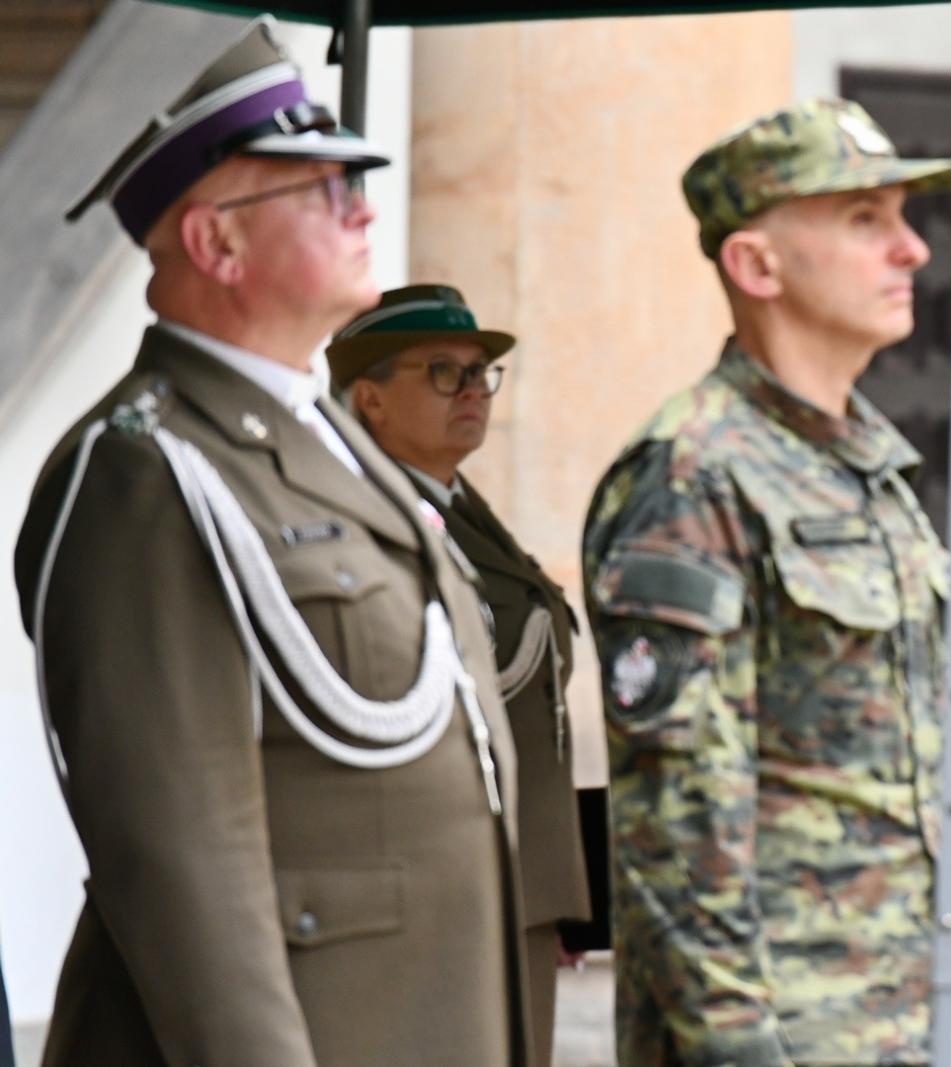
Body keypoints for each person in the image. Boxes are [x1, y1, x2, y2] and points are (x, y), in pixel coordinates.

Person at [14, 20, 531, 1065]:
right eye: (320, 190)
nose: (364, 209)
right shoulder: (143, 473)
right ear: (214, 242)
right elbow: (182, 859)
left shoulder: (332, 438)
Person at [581, 98, 951, 1064]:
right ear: (756, 265)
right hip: (779, 1038)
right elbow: (677, 834)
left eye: (903, 217)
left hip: (896, 1023)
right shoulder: (693, 473)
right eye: (863, 220)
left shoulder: (870, 468)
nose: (911, 250)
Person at [329, 284, 601, 1065]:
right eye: (444, 371)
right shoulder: (366, 516)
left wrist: (559, 890)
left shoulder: (461, 509)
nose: (474, 389)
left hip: (518, 886)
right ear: (371, 397)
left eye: (482, 372)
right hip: (445, 894)